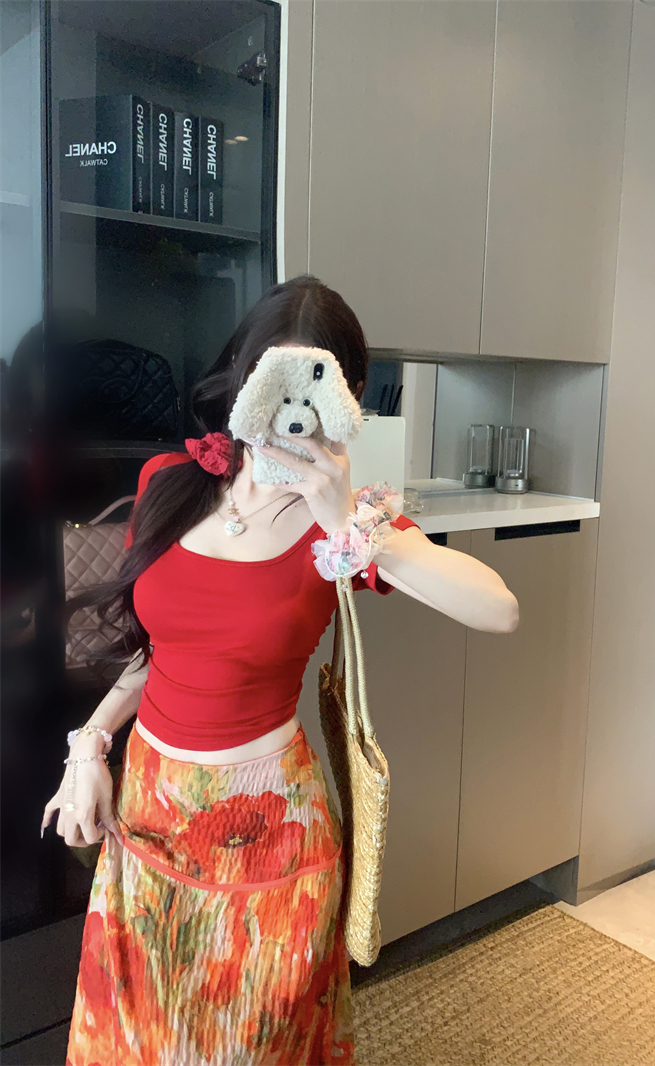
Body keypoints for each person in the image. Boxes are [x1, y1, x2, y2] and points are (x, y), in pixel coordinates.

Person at [42, 275, 519, 1066]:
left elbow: (498, 608)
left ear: (346, 401)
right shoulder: (170, 481)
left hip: (270, 840)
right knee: (135, 1041)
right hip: (149, 815)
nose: (288, 409)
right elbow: (159, 651)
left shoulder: (349, 527)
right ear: (240, 380)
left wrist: (352, 526)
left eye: (315, 384)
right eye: (272, 378)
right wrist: (88, 746)